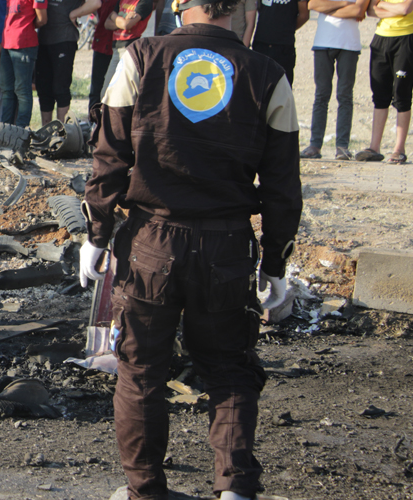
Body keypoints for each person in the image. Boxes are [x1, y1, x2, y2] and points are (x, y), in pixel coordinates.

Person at [79, 0, 302, 498]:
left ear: (181, 5)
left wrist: (95, 233)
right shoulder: (268, 73)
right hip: (227, 245)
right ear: (238, 10)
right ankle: (236, 490)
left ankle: (145, 490)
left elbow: (109, 154)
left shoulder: (139, 57)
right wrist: (275, 262)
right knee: (230, 370)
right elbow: (284, 187)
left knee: (140, 372)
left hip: (151, 241)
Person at [300, 0, 368, 160]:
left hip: (349, 44)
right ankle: (315, 144)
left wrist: (328, 8)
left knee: (345, 96)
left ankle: (342, 146)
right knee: (321, 95)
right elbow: (313, 5)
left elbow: (358, 11)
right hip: (323, 43)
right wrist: (345, 3)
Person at [355, 0, 413, 163]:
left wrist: (384, 5)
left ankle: (399, 149)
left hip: (406, 38)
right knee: (380, 94)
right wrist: (396, 11)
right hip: (381, 38)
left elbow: (405, 8)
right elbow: (371, 11)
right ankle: (374, 147)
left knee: (402, 95)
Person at [35, 0, 100, 126]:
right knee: (44, 88)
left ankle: (61, 131)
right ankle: (46, 130)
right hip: (43, 39)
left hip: (64, 39)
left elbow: (95, 3)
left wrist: (74, 14)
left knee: (60, 87)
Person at [0, 0, 46, 127]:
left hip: (24, 44)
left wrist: (25, 27)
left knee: (22, 89)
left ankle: (21, 130)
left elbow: (42, 19)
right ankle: (5, 129)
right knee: (6, 90)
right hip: (7, 43)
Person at [251, 0, 308, 86]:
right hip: (261, 42)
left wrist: (288, 28)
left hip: (284, 46)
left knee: (282, 88)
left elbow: (304, 15)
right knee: (257, 88)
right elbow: (257, 7)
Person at [87, 0, 117, 115]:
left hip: (120, 45)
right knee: (97, 88)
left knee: (115, 89)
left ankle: (111, 123)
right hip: (102, 41)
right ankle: (93, 122)